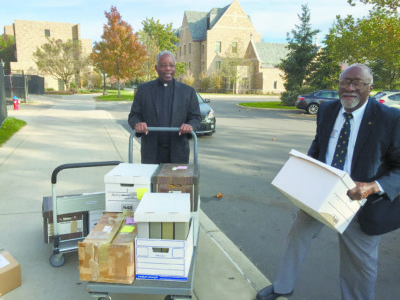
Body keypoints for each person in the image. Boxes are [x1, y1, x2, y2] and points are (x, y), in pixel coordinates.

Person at [256, 63, 400, 300]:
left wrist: (374, 187)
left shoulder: (390, 118)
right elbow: (319, 145)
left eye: (357, 83)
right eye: (344, 82)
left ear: (370, 88)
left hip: (362, 203)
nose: (349, 88)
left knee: (359, 268)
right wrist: (306, 168)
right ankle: (283, 287)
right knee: (296, 237)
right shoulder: (327, 110)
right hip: (321, 193)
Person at [128, 50, 201, 164]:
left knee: (174, 182)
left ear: (175, 68)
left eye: (171, 65)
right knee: (152, 182)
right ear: (156, 68)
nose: (168, 69)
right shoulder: (144, 90)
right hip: (151, 154)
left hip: (178, 153)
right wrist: (138, 124)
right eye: (163, 65)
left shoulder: (188, 92)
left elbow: (196, 117)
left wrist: (190, 126)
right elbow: (134, 116)